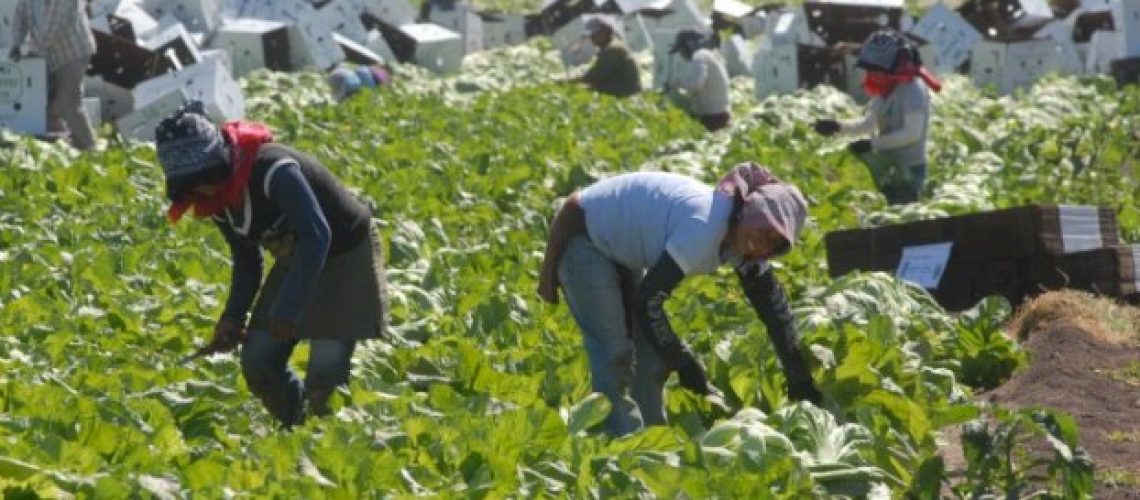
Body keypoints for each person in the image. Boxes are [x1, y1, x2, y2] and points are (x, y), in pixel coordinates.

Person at [537, 163, 822, 436]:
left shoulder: (744, 244)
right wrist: (686, 365)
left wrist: (800, 379)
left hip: (620, 245)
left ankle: (649, 442)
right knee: (615, 352)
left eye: (773, 241)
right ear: (749, 212)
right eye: (762, 228)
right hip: (583, 236)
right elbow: (648, 301)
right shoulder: (705, 228)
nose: (760, 243)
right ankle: (619, 447)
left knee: (650, 359)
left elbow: (774, 309)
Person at [155, 100, 388, 427]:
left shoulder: (274, 170)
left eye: (204, 177)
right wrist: (233, 317)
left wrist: (289, 308)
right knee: (259, 360)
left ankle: (323, 443)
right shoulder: (214, 198)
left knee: (326, 373)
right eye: (191, 184)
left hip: (345, 253)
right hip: (297, 257)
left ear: (218, 162)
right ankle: (295, 427)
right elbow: (246, 258)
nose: (201, 188)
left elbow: (317, 235)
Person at [812, 29, 941, 205]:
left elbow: (911, 134)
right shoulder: (886, 90)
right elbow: (870, 124)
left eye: (877, 70)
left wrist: (873, 144)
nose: (872, 75)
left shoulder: (913, 90)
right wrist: (838, 126)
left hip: (909, 172)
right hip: (888, 167)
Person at [8, 0, 98, 150]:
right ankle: (60, 142)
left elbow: (51, 28)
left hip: (72, 51)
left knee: (68, 100)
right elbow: (20, 16)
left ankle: (89, 148)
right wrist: (16, 44)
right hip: (48, 53)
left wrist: (32, 52)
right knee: (44, 103)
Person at [667, 28, 731, 132]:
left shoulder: (699, 56)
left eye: (682, 49)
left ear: (689, 45)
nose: (682, 54)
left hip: (713, 117)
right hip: (721, 113)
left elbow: (695, 84)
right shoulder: (711, 54)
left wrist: (676, 83)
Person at [564, 16, 641, 98]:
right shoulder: (612, 45)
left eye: (595, 35)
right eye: (590, 36)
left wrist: (565, 82)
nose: (592, 38)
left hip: (625, 95)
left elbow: (594, 76)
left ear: (606, 31)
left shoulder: (612, 49)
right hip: (623, 91)